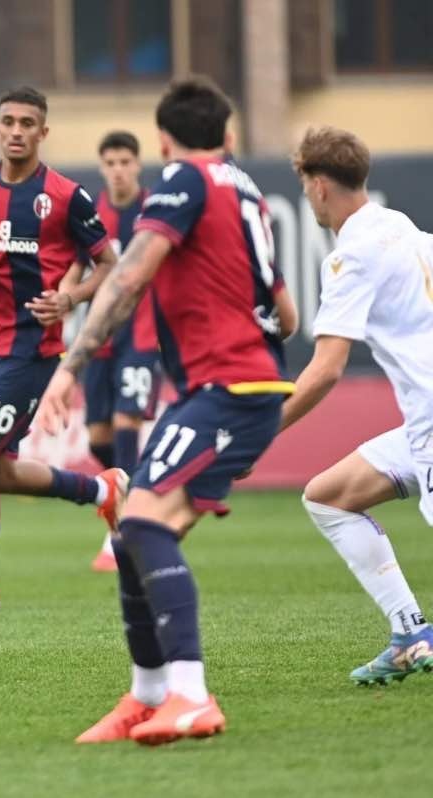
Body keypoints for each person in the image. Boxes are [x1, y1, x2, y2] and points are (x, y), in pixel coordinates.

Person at [34, 77, 298, 744]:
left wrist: (69, 367)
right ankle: (149, 695)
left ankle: (191, 695)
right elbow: (287, 314)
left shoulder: (184, 180)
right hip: (237, 387)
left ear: (161, 143)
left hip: (228, 389)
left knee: (144, 526)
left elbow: (128, 275)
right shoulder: (248, 191)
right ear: (229, 136)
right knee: (133, 530)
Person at [0, 86, 126, 614]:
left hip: (32, 353)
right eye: (9, 121)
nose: (17, 131)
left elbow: (110, 266)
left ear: (43, 132)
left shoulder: (65, 197)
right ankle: (103, 492)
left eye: (27, 123)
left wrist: (69, 298)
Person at [279, 126, 433, 686]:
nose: (307, 196)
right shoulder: (402, 227)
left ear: (319, 186)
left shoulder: (351, 256)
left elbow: (325, 370)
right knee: (327, 496)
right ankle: (410, 633)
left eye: (304, 185)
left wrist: (261, 433)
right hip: (419, 426)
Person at [66, 131, 160, 572]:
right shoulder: (93, 215)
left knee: (127, 423)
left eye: (125, 161)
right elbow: (76, 270)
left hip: (141, 334)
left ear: (137, 165)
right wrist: (64, 299)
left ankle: (125, 527)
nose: (119, 170)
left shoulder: (155, 211)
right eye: (111, 163)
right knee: (98, 438)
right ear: (102, 168)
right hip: (100, 338)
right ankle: (136, 494)